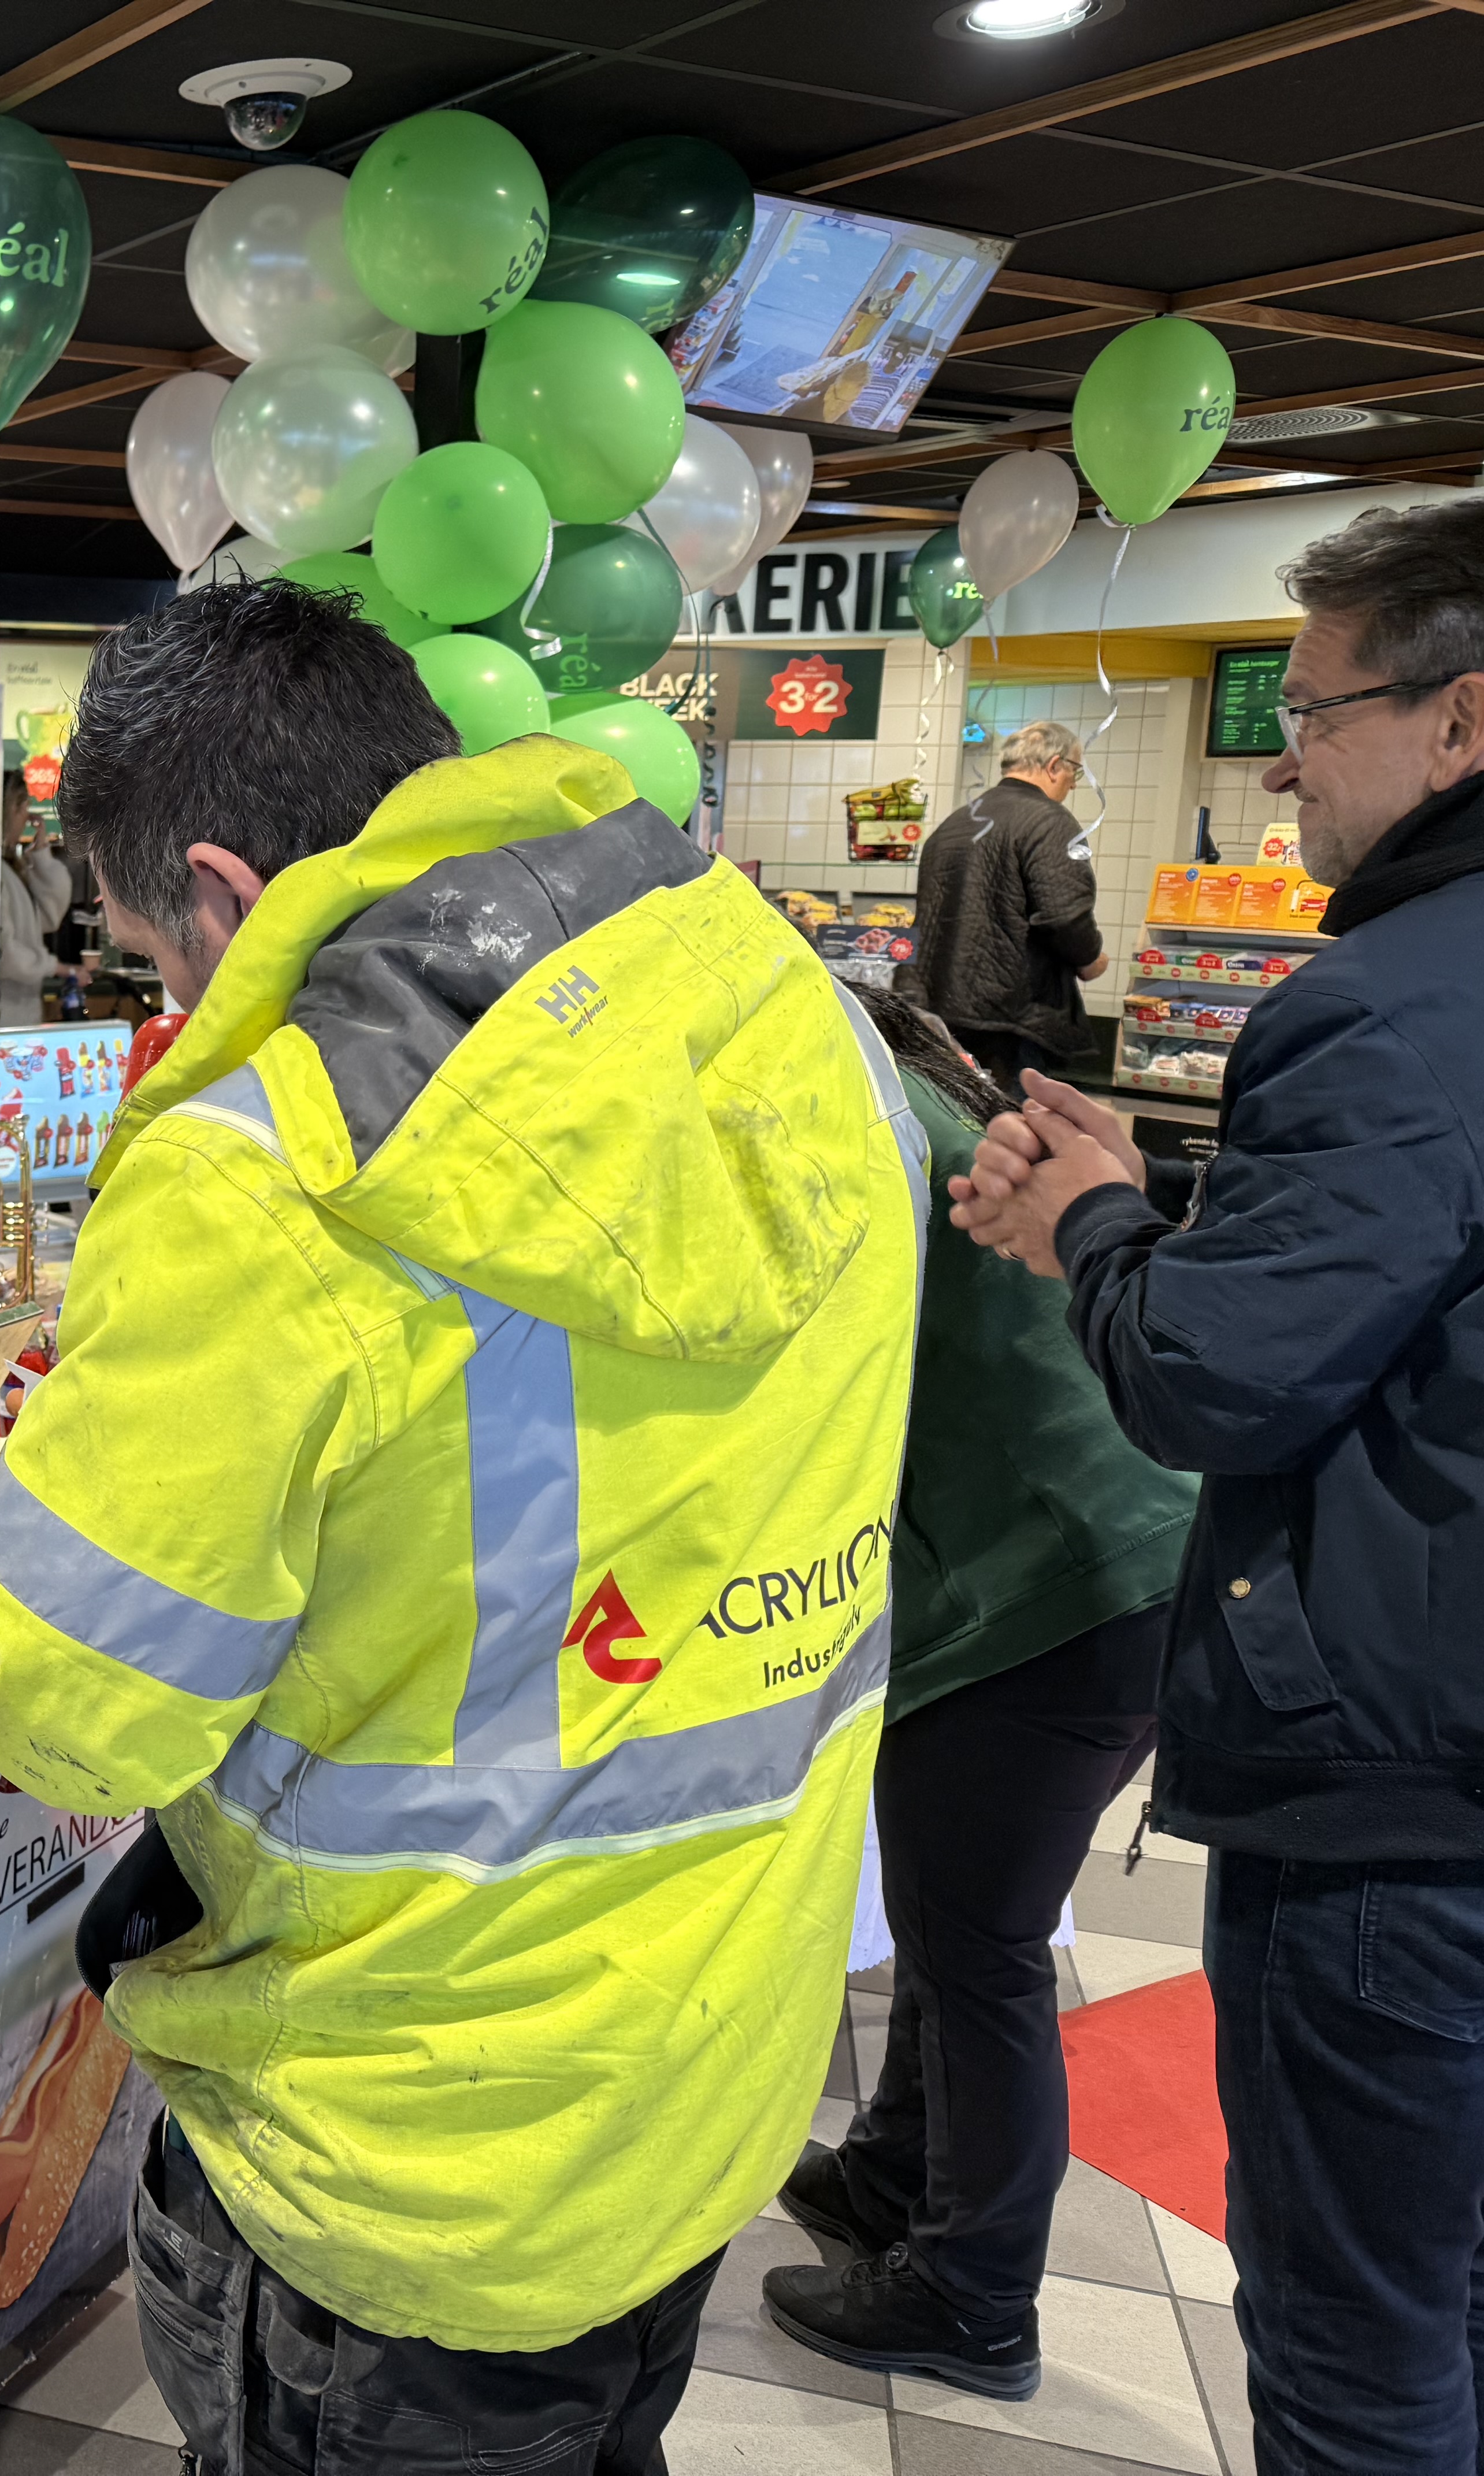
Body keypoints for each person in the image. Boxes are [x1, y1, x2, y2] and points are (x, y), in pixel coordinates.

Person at [0, 580, 926, 2470]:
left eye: (153, 962)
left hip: (405, 2145)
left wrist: (10, 1512)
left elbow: (74, 1711)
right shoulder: (786, 1009)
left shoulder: (268, 1166)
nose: (169, 1011)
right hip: (701, 2056)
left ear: (222, 892)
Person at [951, 496, 1484, 2471]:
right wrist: (1164, 1209)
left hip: (1401, 1802)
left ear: (1460, 722)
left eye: (1318, 708)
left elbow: (1207, 1377)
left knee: (1356, 2346)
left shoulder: (1383, 998)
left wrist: (1097, 1230)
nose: (1281, 757)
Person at [759, 988, 1195, 2401]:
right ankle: (897, 2179)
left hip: (1054, 1586)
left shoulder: (846, 1137)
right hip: (1100, 1555)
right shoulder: (932, 1101)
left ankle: (974, 2291)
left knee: (982, 1947)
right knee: (956, 1919)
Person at [896, 718, 1107, 1091]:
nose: (1075, 783)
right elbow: (1064, 915)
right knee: (1013, 1132)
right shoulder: (1051, 821)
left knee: (966, 1123)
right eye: (1075, 770)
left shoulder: (956, 823)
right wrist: (1090, 958)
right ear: (1054, 766)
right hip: (1013, 1020)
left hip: (943, 1008)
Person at [0, 824, 74, 1025]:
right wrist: (55, 967)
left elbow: (49, 916)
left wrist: (42, 855)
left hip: (18, 1013)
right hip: (4, 1015)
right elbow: (5, 955)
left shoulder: (9, 871)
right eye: (24, 808)